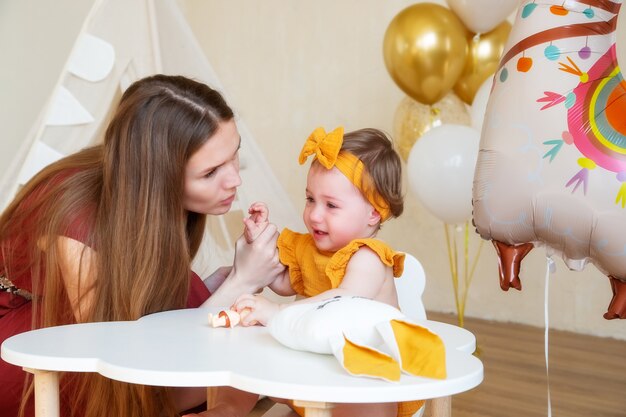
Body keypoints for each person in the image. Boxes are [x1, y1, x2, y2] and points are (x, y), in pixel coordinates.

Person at [0, 74, 284, 417]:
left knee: (242, 334)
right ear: (157, 177)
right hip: (29, 342)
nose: (235, 179)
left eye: (234, 155)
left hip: (107, 319)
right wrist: (244, 281)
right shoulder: (75, 222)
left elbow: (145, 300)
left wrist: (225, 284)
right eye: (210, 173)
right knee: (221, 366)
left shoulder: (148, 197)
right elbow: (119, 372)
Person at [229, 126, 419, 417]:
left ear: (373, 213)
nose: (315, 214)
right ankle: (223, 410)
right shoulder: (310, 248)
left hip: (363, 376)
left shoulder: (368, 258)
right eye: (310, 199)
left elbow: (341, 301)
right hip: (318, 371)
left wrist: (277, 313)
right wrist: (260, 240)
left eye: (331, 205)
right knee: (250, 348)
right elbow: (283, 282)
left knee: (365, 396)